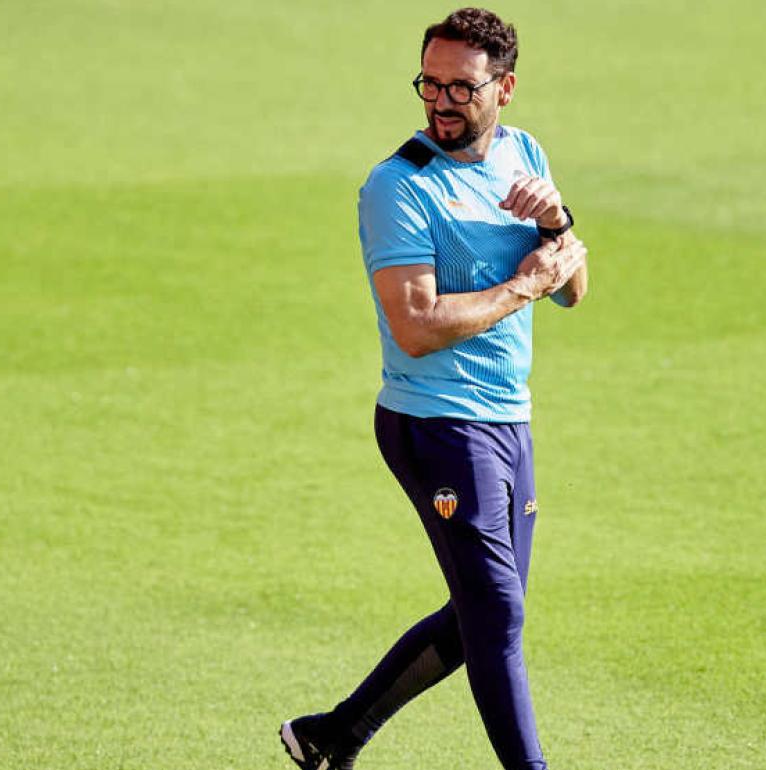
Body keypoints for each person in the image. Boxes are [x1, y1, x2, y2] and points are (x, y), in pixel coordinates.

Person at [278, 8, 587, 770]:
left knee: (481, 613)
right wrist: (525, 285)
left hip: (509, 418)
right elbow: (415, 325)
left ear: (505, 87)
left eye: (461, 88)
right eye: (430, 84)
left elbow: (573, 288)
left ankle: (332, 735)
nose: (442, 102)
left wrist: (558, 224)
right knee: (499, 611)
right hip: (435, 422)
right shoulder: (397, 186)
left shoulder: (526, 153)